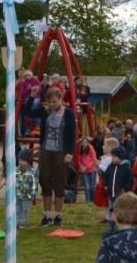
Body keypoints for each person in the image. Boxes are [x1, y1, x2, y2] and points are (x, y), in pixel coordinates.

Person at [22, 86, 76, 227]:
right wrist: (32, 96)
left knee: (59, 183)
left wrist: (69, 153)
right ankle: (46, 216)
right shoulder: (44, 110)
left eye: (54, 102)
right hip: (45, 151)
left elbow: (72, 134)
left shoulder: (69, 114)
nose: (51, 104)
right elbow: (27, 112)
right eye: (49, 102)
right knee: (45, 181)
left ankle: (58, 216)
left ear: (60, 99)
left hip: (61, 152)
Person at [103, 146, 135, 231]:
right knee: (111, 209)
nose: (112, 158)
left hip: (121, 194)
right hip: (110, 193)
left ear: (120, 157)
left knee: (118, 210)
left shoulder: (127, 168)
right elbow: (105, 176)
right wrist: (106, 185)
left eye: (114, 157)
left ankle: (121, 225)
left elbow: (130, 180)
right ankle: (111, 226)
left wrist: (125, 189)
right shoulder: (111, 166)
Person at [16, 148, 39, 228]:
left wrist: (33, 195)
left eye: (23, 160)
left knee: (25, 209)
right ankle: (16, 222)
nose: (21, 162)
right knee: (16, 209)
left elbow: (35, 184)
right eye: (19, 160)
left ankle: (23, 222)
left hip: (26, 196)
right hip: (16, 195)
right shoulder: (15, 170)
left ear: (28, 161)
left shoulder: (32, 172)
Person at [77, 136, 98, 203]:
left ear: (88, 142)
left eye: (86, 142)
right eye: (83, 142)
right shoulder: (80, 149)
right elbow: (79, 160)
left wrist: (86, 167)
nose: (84, 143)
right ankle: (88, 201)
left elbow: (94, 160)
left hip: (92, 170)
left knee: (92, 187)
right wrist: (81, 166)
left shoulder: (91, 148)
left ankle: (93, 201)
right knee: (87, 187)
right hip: (84, 171)